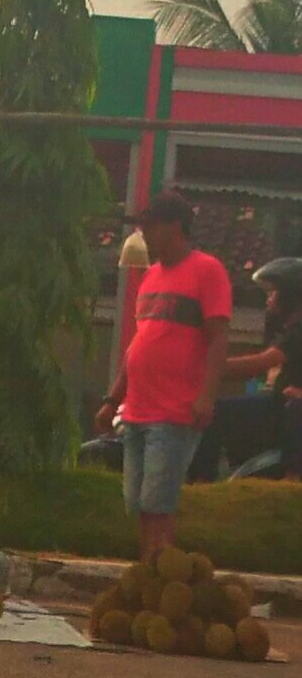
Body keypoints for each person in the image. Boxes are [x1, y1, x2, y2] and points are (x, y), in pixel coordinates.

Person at [95, 192, 231, 562]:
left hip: (175, 407)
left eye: (151, 226)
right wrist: (112, 398)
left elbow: (219, 338)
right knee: (138, 500)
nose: (145, 234)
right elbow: (140, 342)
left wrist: (206, 395)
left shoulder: (207, 270)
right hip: (137, 406)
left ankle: (161, 568)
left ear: (175, 227)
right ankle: (148, 568)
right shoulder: (151, 276)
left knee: (159, 499)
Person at [188, 257, 302, 482]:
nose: (268, 298)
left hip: (286, 410)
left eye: (274, 292)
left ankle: (200, 482)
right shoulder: (291, 332)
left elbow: (260, 363)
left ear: (289, 296)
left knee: (214, 412)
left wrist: (209, 367)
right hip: (280, 405)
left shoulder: (298, 332)